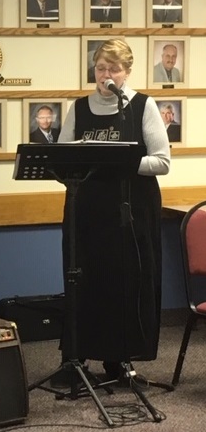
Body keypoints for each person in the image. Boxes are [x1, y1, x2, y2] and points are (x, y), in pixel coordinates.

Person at [58, 38, 170, 380]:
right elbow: (62, 159)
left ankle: (121, 357)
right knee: (86, 279)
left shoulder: (142, 105)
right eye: (100, 68)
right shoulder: (78, 108)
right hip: (88, 212)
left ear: (127, 72)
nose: (105, 75)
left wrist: (123, 161)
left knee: (127, 280)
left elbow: (162, 162)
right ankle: (78, 358)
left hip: (131, 212)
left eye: (113, 69)